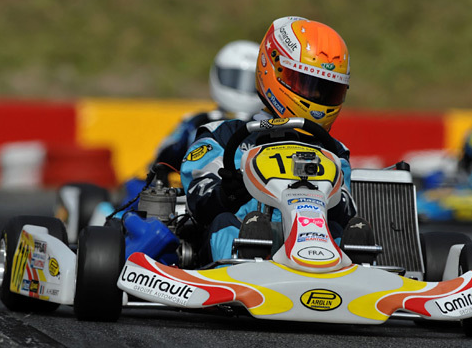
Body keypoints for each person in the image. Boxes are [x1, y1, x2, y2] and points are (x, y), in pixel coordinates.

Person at [180, 16, 362, 265]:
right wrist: (228, 192)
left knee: (343, 230)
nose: (317, 98)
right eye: (307, 85)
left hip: (314, 250)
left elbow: (346, 211)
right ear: (273, 69)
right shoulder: (221, 136)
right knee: (224, 222)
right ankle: (238, 270)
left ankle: (356, 274)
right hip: (243, 248)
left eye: (327, 90)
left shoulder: (334, 152)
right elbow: (198, 201)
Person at [152, 40, 264, 174]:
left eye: (251, 81)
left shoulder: (266, 127)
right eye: (234, 77)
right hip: (199, 189)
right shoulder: (197, 122)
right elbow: (161, 161)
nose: (243, 87)